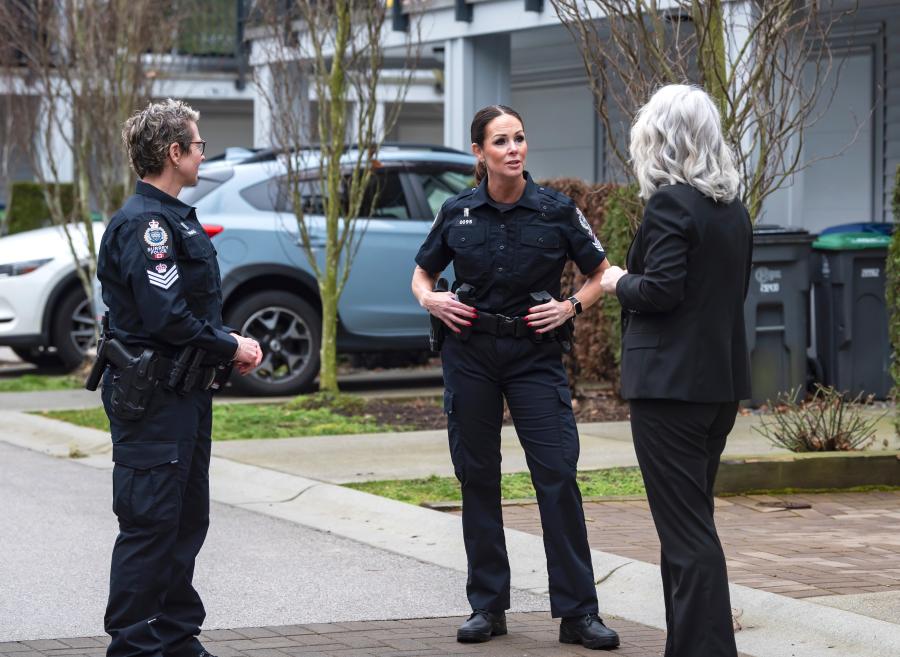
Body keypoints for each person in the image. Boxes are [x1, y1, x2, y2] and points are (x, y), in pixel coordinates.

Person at [411, 105, 619, 650]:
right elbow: (422, 273)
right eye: (500, 141)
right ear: (478, 153)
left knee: (557, 475)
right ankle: (487, 607)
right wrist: (432, 301)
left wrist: (571, 306)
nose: (514, 148)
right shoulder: (456, 212)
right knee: (478, 478)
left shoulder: (556, 210)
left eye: (520, 138)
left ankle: (578, 614)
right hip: (471, 352)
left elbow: (601, 273)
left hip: (534, 356)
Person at [96, 99, 262, 657]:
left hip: (185, 394)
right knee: (150, 522)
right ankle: (135, 643)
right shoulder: (148, 227)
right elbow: (167, 317)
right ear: (174, 153)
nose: (202, 153)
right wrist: (231, 344)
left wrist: (222, 347)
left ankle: (173, 634)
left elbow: (187, 311)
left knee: (186, 519)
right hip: (153, 398)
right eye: (197, 145)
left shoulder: (171, 219)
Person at [600, 84, 752, 657]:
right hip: (717, 388)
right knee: (690, 527)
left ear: (657, 140)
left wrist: (617, 282)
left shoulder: (670, 204)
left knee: (687, 536)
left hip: (669, 390)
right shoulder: (733, 210)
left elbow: (661, 292)